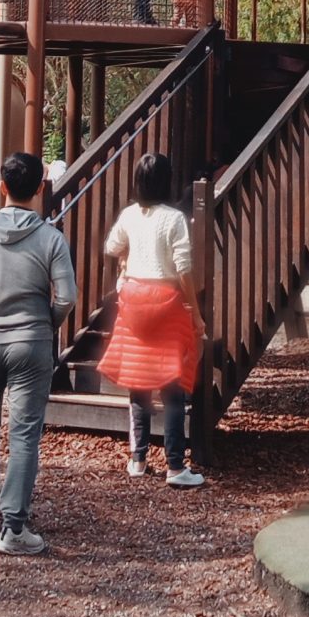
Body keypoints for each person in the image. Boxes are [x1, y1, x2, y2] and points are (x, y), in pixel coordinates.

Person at [0, 151, 76, 556]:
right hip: (31, 342)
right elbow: (67, 298)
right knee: (24, 435)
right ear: (41, 187)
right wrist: (47, 323)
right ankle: (14, 527)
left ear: (2, 188)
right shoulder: (51, 238)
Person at [98, 150, 203, 487]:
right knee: (172, 389)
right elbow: (183, 268)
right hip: (166, 301)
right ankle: (175, 466)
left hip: (132, 302)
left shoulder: (129, 215)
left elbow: (111, 246)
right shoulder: (173, 219)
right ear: (166, 180)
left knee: (138, 383)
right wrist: (195, 313)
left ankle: (138, 458)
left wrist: (129, 257)